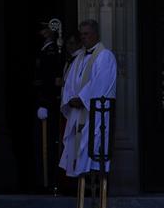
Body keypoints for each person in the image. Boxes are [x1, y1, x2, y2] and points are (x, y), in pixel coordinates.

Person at [59, 19, 118, 177]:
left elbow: (100, 84)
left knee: (91, 151)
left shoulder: (105, 56)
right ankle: (79, 189)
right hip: (78, 113)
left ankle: (94, 190)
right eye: (82, 35)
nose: (83, 37)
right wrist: (70, 99)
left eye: (87, 34)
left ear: (95, 34)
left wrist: (81, 98)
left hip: (93, 115)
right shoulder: (79, 58)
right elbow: (70, 82)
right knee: (76, 153)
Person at [33, 21, 65, 193]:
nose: (43, 32)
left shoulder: (52, 51)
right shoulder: (45, 49)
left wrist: (45, 103)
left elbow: (51, 81)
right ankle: (43, 181)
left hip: (48, 102)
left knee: (48, 143)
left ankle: (49, 182)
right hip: (42, 101)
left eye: (45, 29)